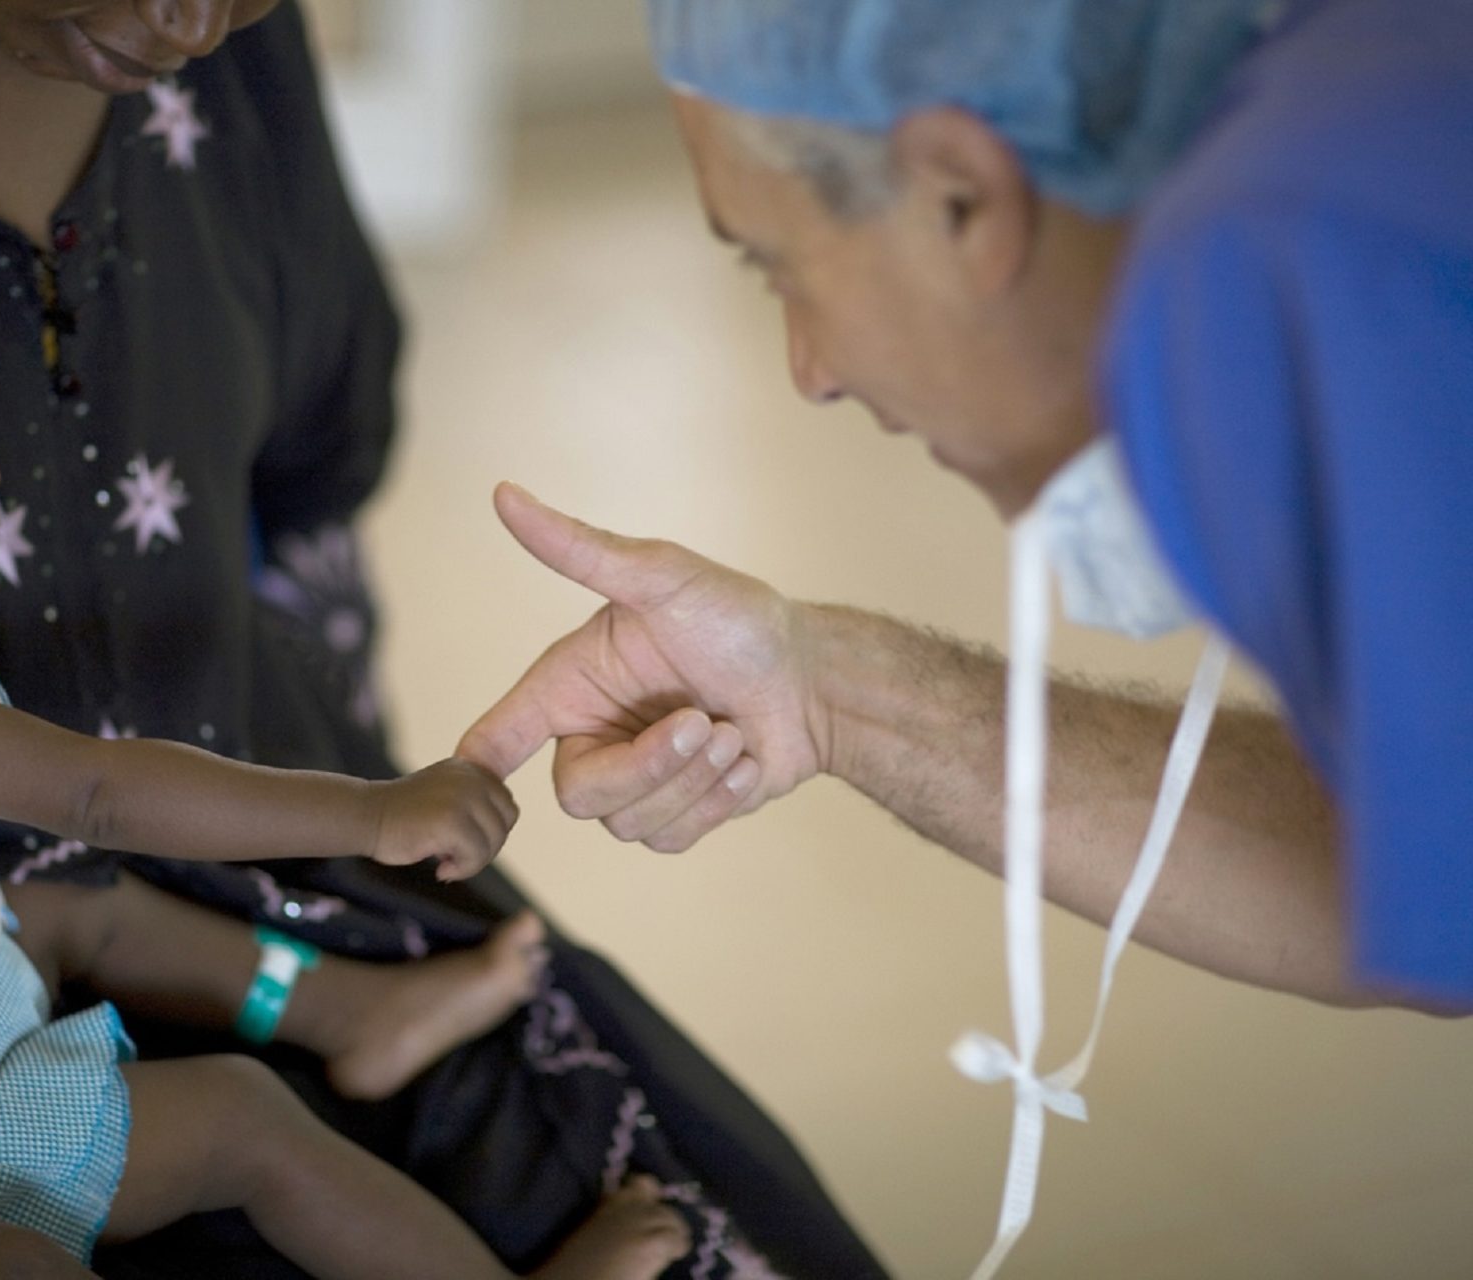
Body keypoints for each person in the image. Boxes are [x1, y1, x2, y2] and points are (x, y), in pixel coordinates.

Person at [0, 1, 881, 1276]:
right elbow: (97, 789)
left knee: (71, 905)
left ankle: (349, 1011)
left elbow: (320, 470)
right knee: (245, 1124)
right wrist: (370, 816)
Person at [456, 0, 1472, 1272]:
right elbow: (1414, 859)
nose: (807, 369)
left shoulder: (1304, 275)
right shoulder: (1354, 115)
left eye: (775, 264)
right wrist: (822, 690)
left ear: (959, 194)